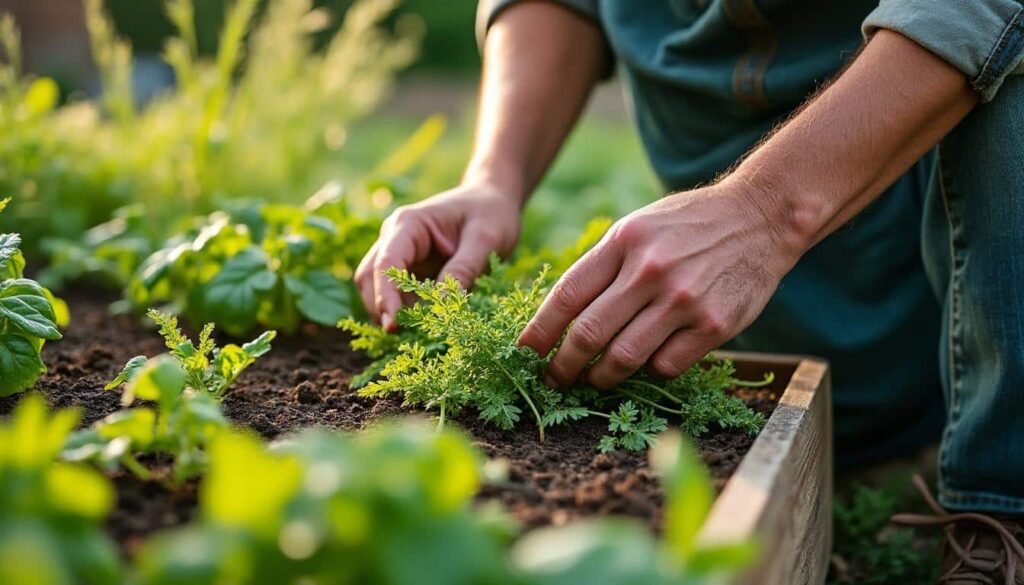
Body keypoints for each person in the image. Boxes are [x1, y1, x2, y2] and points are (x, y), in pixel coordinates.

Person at [355, 1, 1024, 579]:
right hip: (766, 318)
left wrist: (764, 211)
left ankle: (1000, 511)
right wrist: (495, 175)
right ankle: (841, 460)